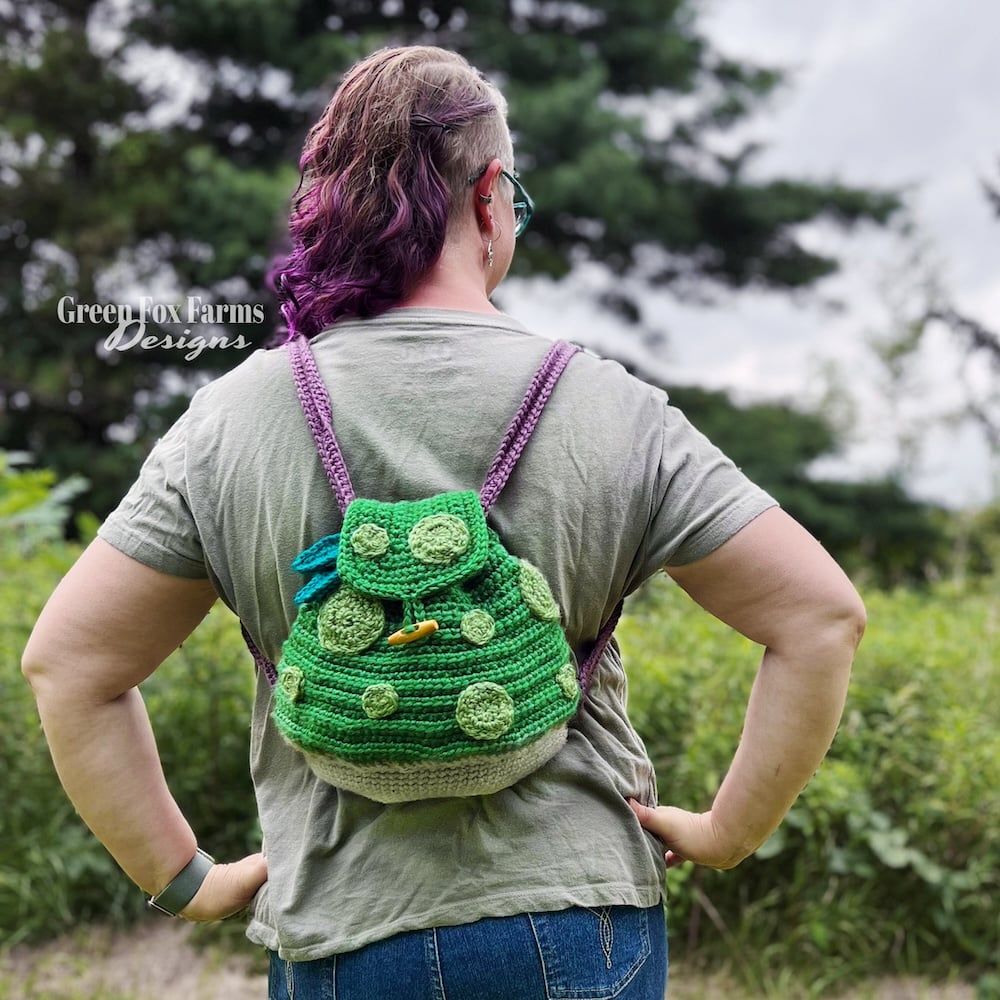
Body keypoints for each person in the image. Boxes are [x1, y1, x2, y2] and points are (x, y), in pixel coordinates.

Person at [22, 45, 865, 1000]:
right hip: (572, 919)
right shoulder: (607, 406)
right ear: (490, 195)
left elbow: (71, 668)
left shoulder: (231, 420)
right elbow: (819, 617)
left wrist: (185, 880)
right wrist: (726, 832)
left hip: (343, 931)